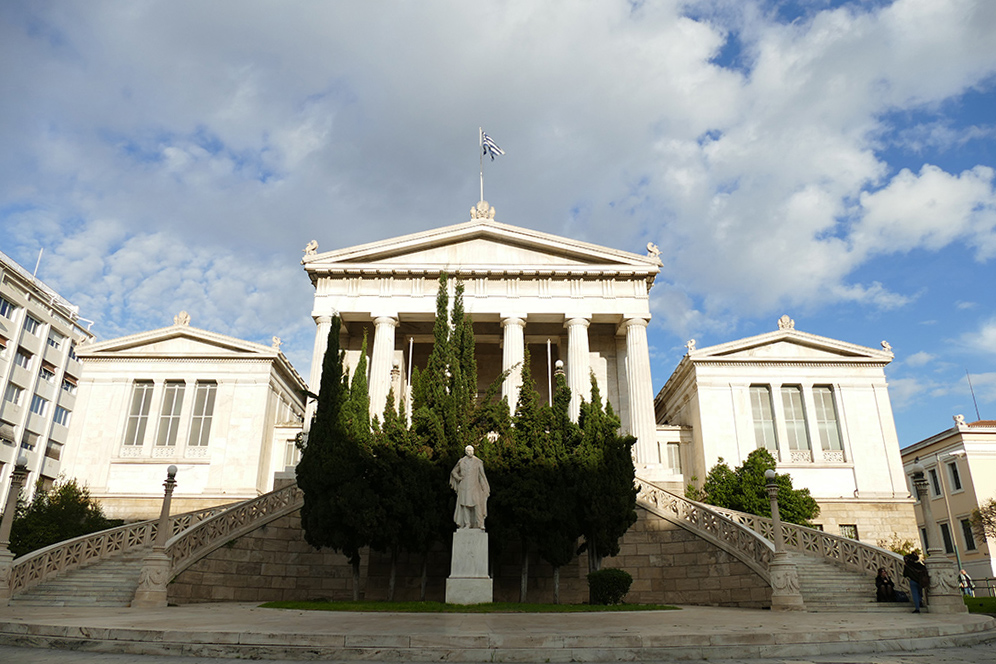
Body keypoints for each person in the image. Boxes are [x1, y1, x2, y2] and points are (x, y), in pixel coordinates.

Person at [450, 445, 490, 530]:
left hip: (475, 486)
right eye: (469, 451)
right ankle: (467, 524)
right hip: (464, 487)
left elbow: (482, 476)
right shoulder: (461, 461)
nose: (470, 452)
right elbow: (454, 472)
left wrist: (485, 487)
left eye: (472, 450)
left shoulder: (478, 462)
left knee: (477, 504)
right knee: (464, 505)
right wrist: (459, 478)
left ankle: (480, 524)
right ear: (466, 452)